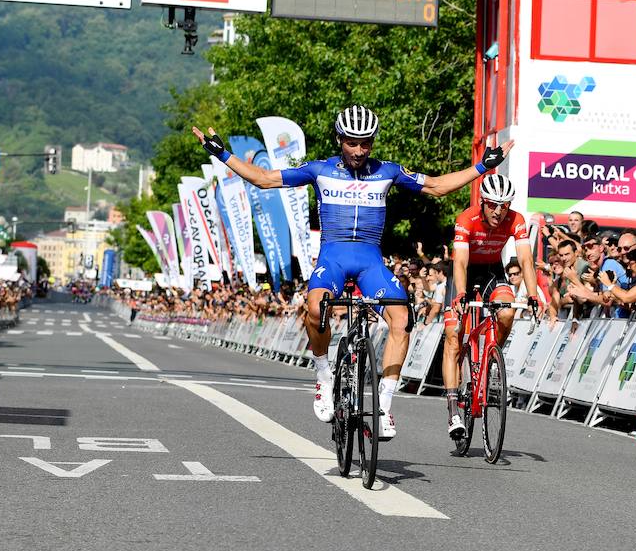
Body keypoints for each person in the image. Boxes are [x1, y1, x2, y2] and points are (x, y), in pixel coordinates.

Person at [193, 105, 514, 439]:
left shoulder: (388, 171)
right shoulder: (319, 170)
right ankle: (323, 377)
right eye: (351, 142)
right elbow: (263, 179)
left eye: (365, 143)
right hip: (333, 257)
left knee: (401, 319)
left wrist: (481, 166)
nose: (359, 150)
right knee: (316, 308)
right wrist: (222, 154)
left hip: (370, 262)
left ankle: (385, 407)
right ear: (339, 140)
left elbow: (436, 186)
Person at [440, 174, 539, 438]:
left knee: (507, 311)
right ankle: (452, 410)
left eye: (504, 205)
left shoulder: (515, 220)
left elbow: (527, 261)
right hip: (465, 272)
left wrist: (533, 295)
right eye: (493, 204)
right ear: (483, 202)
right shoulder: (466, 219)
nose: (499, 211)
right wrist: (461, 293)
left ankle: (491, 358)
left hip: (492, 271)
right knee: (453, 335)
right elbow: (460, 262)